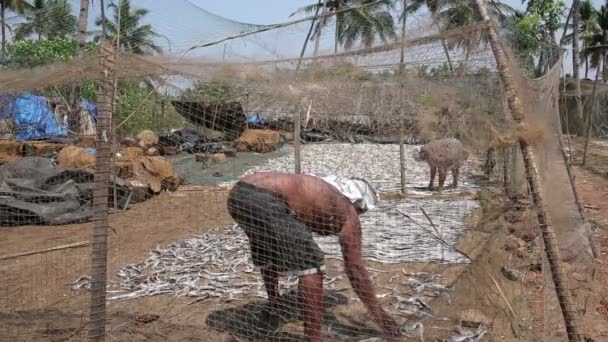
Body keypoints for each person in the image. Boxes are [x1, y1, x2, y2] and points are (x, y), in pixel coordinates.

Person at [227, 172, 400, 341]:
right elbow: (355, 269)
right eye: (361, 211)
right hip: (265, 198)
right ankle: (313, 337)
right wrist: (380, 315)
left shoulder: (322, 190)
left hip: (238, 194)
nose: (360, 215)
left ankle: (275, 304)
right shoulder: (347, 211)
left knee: (267, 249)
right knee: (312, 264)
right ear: (360, 204)